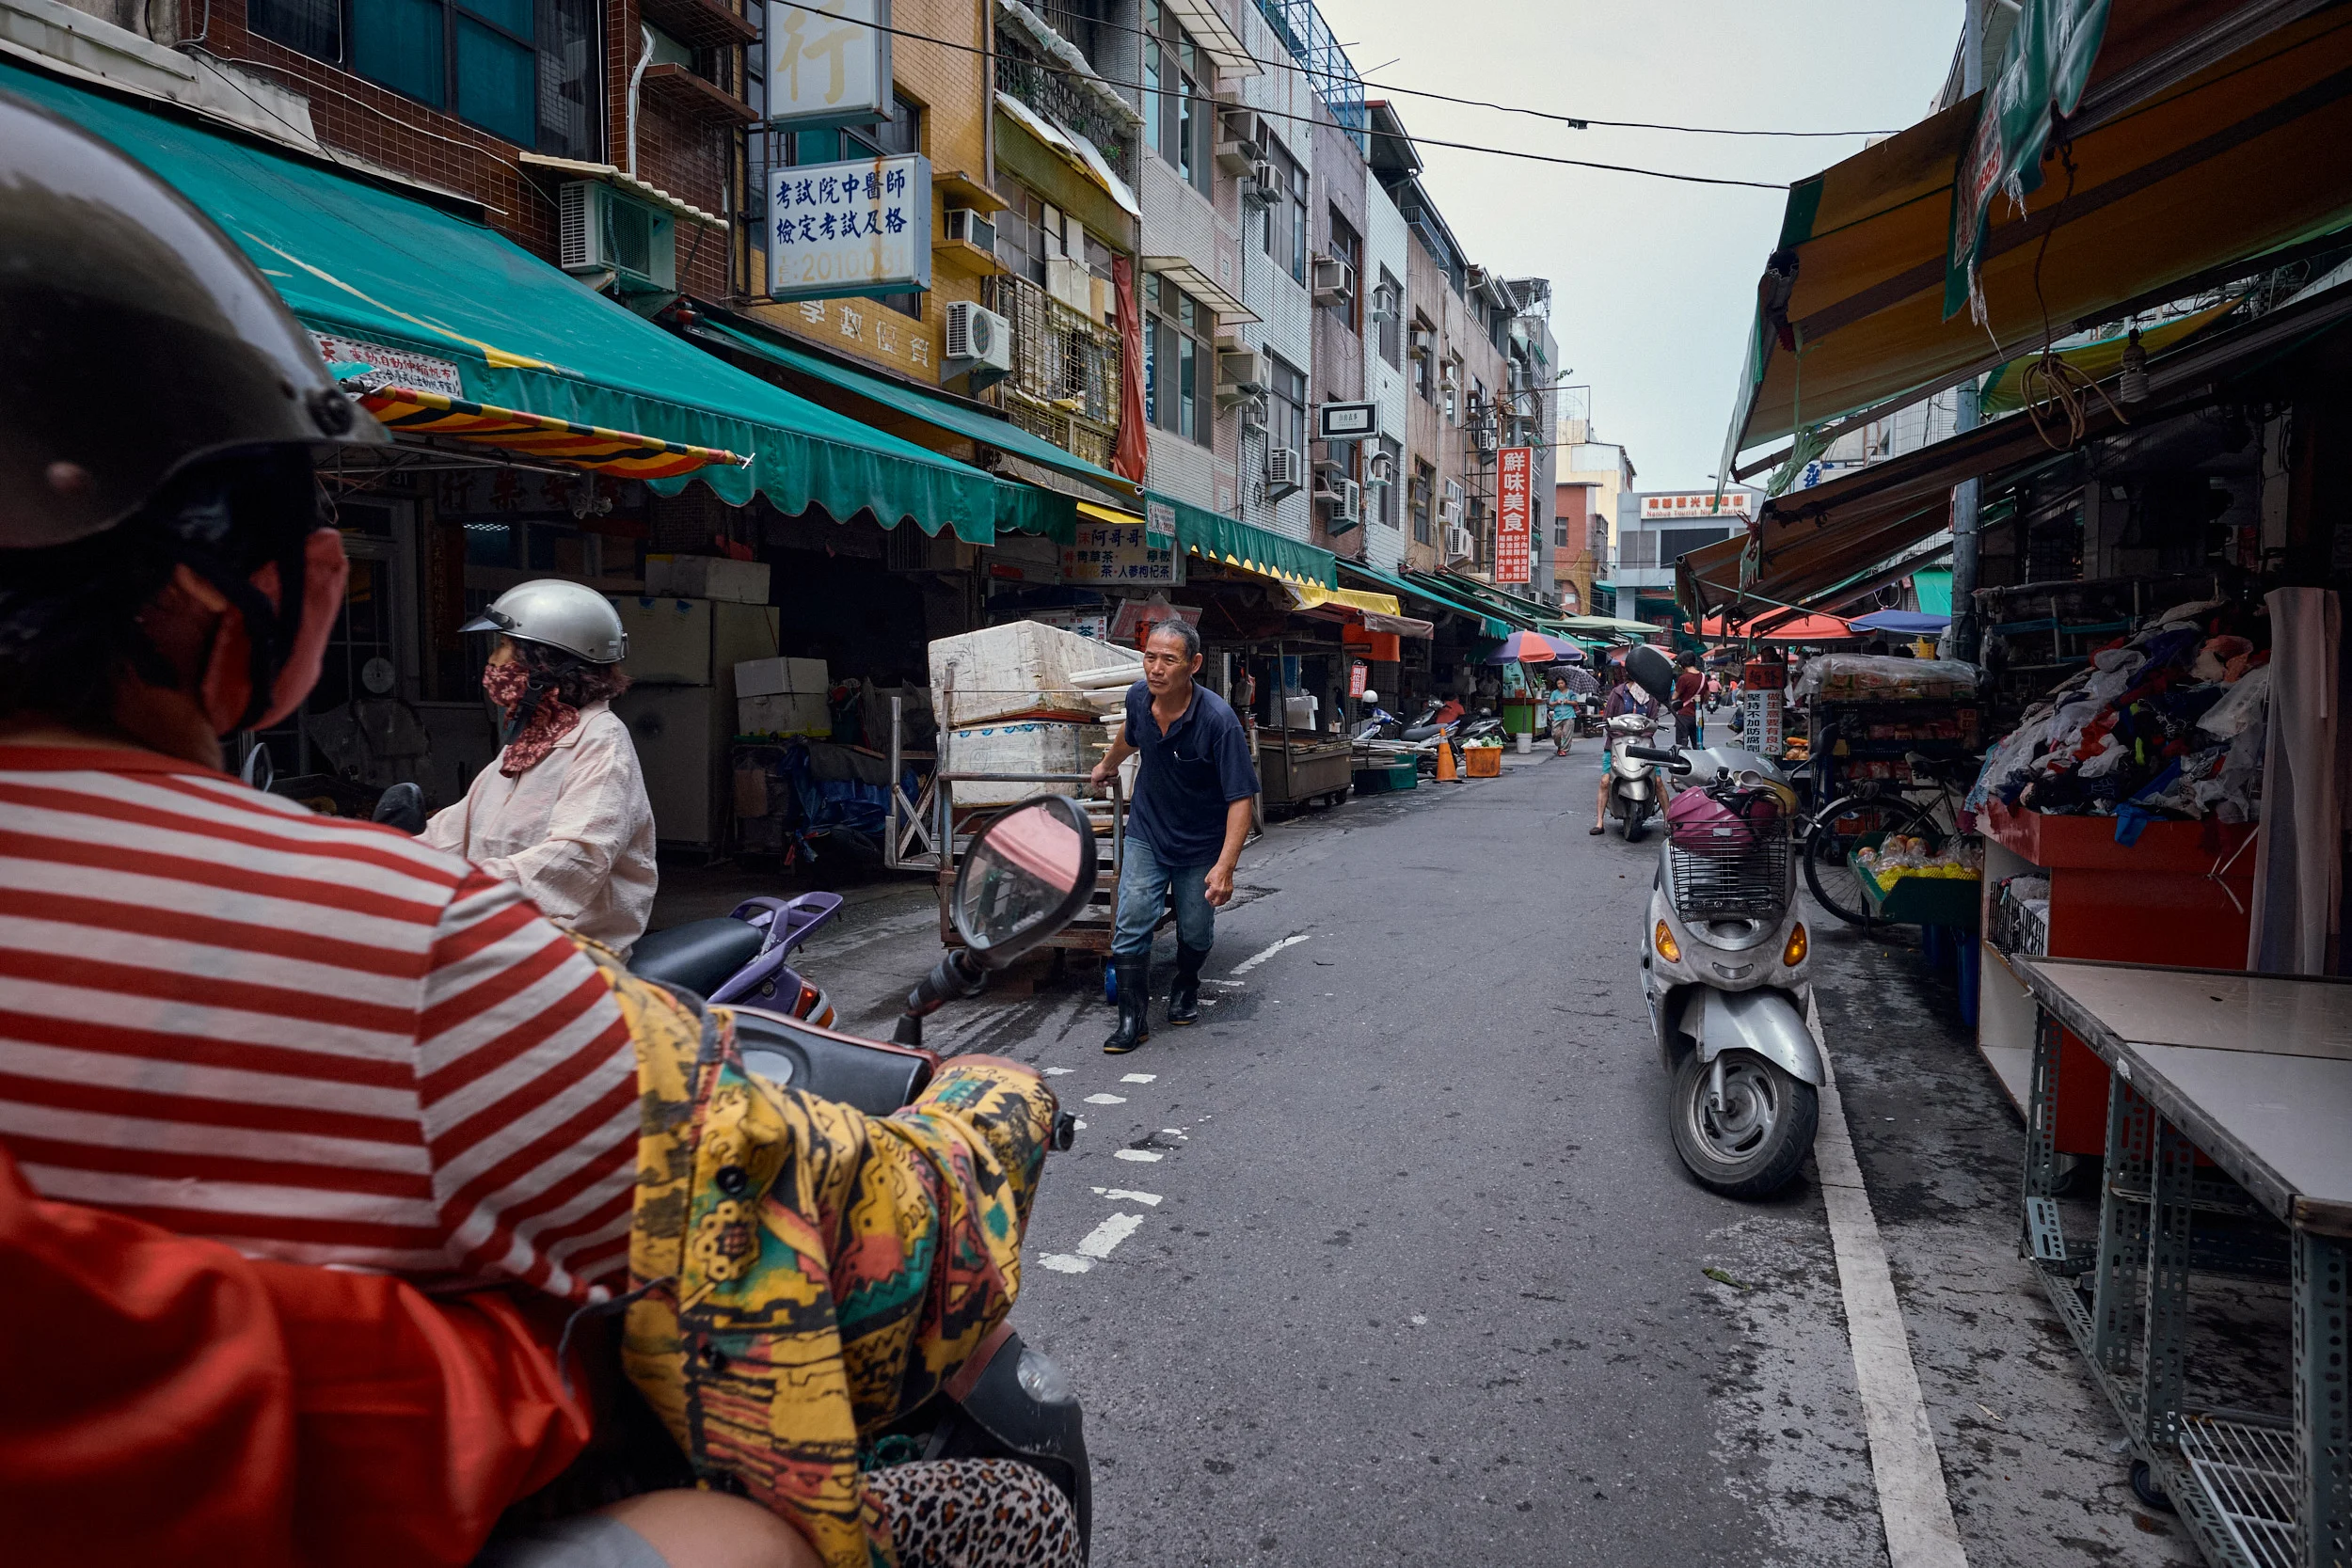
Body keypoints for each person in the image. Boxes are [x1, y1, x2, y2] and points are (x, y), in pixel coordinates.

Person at [0, 88, 1066, 1568]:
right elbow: (848, 1234)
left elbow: (558, 870)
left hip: (606, 967)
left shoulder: (598, 756)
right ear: (297, 605)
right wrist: (996, 1113)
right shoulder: (429, 900)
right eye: (489, 651)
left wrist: (406, 870)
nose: (493, 668)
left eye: (511, 654)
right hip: (570, 1041)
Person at [424, 579, 658, 958]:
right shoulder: (529, 741)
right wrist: (383, 862)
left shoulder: (601, 740)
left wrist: (465, 892)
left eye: (503, 646)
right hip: (499, 938)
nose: (493, 662)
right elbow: (453, 833)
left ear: (545, 661)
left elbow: (577, 857)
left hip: (573, 957)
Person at [1087, 619, 1259, 1053]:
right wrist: (1108, 765)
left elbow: (1241, 799)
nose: (1155, 669)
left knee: (1196, 931)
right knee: (1131, 923)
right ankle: (1133, 1019)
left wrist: (1225, 867)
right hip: (1147, 830)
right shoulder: (1138, 699)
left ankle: (1186, 983)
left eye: (1169, 659)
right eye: (1149, 657)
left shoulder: (1218, 721)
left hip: (1200, 842)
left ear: (1194, 664)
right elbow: (1132, 734)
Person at [1591, 667, 1664, 834]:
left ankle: (1668, 821)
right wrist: (1620, 735)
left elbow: (1653, 722)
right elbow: (1607, 720)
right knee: (1604, 780)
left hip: (1644, 745)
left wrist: (1643, 734)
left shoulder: (1650, 697)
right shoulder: (1617, 694)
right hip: (1616, 745)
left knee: (1658, 782)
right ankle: (1599, 822)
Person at [1673, 651, 1706, 749]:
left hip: (1684, 716)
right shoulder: (1703, 677)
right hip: (1698, 716)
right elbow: (1707, 694)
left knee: (1681, 746)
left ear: (1683, 664)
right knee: (1698, 744)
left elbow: (1674, 696)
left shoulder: (1684, 678)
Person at [1547, 673, 1579, 755]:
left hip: (1569, 715)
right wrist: (1556, 702)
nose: (1560, 685)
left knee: (1566, 734)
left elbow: (1575, 702)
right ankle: (1559, 746)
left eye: (1562, 683)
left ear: (1565, 683)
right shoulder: (1554, 693)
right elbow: (1550, 704)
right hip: (1557, 716)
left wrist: (1568, 701)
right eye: (1558, 683)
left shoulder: (1570, 692)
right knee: (1555, 733)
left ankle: (1563, 750)